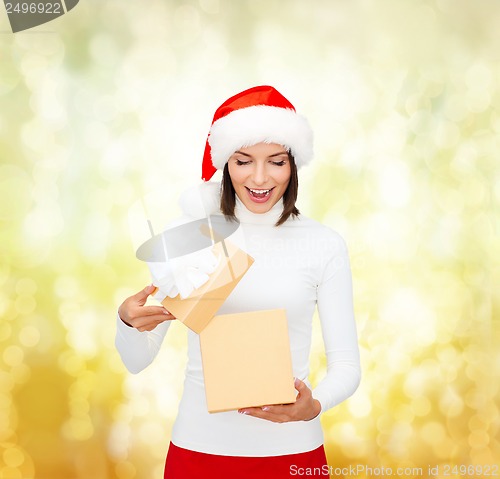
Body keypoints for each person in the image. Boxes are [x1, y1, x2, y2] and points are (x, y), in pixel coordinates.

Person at [115, 85, 361, 479]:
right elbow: (137, 360)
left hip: (294, 455)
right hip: (199, 453)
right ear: (225, 165)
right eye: (244, 161)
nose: (260, 177)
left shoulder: (322, 244)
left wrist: (314, 406)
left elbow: (347, 365)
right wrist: (129, 322)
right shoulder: (194, 238)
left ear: (293, 164)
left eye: (276, 161)